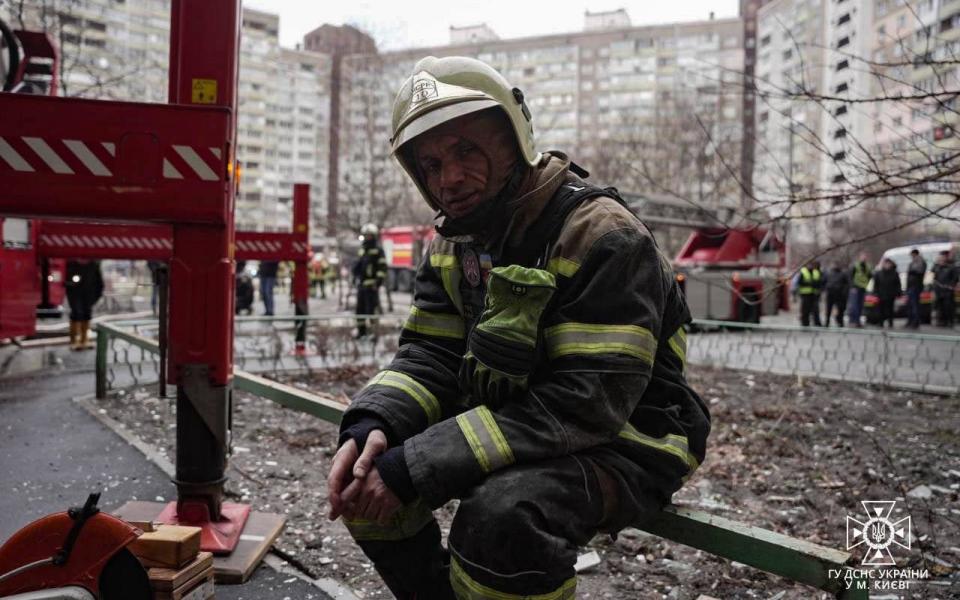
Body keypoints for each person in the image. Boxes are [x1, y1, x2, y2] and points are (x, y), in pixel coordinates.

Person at [326, 56, 709, 599]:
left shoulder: (602, 236)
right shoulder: (454, 242)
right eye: (430, 165)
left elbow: (586, 402)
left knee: (503, 517)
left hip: (633, 434)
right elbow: (428, 356)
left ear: (515, 136)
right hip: (521, 419)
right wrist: (372, 426)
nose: (449, 179)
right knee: (361, 477)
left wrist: (416, 466)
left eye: (465, 150)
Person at [352, 223, 387, 338]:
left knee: (371, 310)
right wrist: (354, 273)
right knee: (359, 310)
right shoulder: (362, 249)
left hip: (372, 286)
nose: (367, 238)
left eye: (369, 236)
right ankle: (361, 332)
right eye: (365, 235)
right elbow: (359, 265)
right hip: (361, 285)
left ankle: (373, 333)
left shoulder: (378, 250)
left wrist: (377, 282)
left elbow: (382, 268)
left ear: (374, 236)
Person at [65, 259, 104, 350]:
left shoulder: (93, 265)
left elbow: (99, 282)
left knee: (87, 314)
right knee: (76, 314)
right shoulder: (72, 263)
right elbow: (67, 280)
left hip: (89, 294)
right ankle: (74, 340)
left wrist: (96, 295)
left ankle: (84, 339)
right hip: (75, 293)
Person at [932, 250, 958, 327]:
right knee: (940, 306)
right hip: (939, 290)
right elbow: (934, 274)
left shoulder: (951, 266)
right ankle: (942, 321)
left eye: (943, 257)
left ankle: (950, 321)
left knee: (948, 306)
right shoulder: (938, 266)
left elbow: (955, 278)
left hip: (948, 290)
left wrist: (951, 286)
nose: (942, 259)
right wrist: (936, 263)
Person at [873, 258, 901, 328]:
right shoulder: (879, 273)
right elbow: (876, 284)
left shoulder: (894, 273)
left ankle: (890, 322)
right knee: (881, 309)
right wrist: (876, 292)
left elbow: (897, 284)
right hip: (881, 294)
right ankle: (881, 322)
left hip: (891, 294)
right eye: (885, 263)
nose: (887, 265)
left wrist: (898, 292)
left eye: (888, 264)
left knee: (890, 309)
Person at [796, 260, 823, 327]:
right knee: (805, 309)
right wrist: (810, 283)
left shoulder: (816, 272)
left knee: (815, 309)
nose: (810, 266)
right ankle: (805, 323)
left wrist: (814, 284)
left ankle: (817, 323)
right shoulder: (803, 271)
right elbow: (800, 282)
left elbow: (819, 282)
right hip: (805, 294)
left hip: (814, 294)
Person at [847, 252, 871, 327]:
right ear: (859, 257)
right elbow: (850, 277)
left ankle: (858, 321)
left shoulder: (868, 266)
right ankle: (853, 321)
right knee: (854, 306)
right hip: (855, 288)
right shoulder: (855, 265)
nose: (864, 258)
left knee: (860, 306)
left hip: (863, 288)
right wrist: (852, 287)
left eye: (865, 256)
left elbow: (869, 276)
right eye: (862, 256)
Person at [823, 261, 850, 327]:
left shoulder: (843, 274)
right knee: (828, 308)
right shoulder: (829, 273)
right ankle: (827, 322)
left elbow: (847, 284)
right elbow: (824, 282)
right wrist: (826, 288)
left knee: (840, 309)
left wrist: (844, 292)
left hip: (839, 295)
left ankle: (840, 321)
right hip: (830, 294)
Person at [905, 248, 926, 329]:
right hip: (911, 286)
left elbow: (919, 272)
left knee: (915, 305)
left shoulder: (920, 261)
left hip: (916, 286)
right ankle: (910, 320)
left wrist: (913, 272)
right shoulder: (913, 262)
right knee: (910, 305)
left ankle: (915, 321)